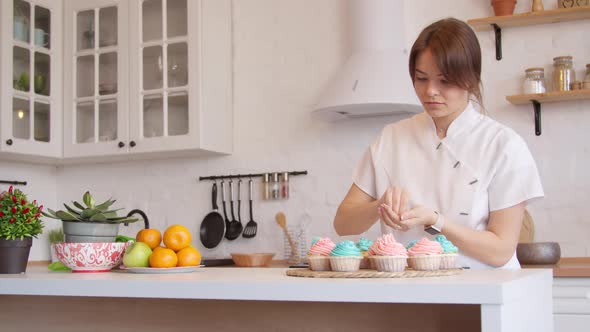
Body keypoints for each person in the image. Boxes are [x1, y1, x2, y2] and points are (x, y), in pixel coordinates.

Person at [333, 18, 544, 269]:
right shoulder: (391, 138)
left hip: (482, 291)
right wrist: (379, 206)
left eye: (444, 81)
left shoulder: (503, 145)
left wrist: (437, 221)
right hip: (412, 294)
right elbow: (343, 223)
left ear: (472, 80)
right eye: (421, 78)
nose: (430, 91)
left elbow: (500, 251)